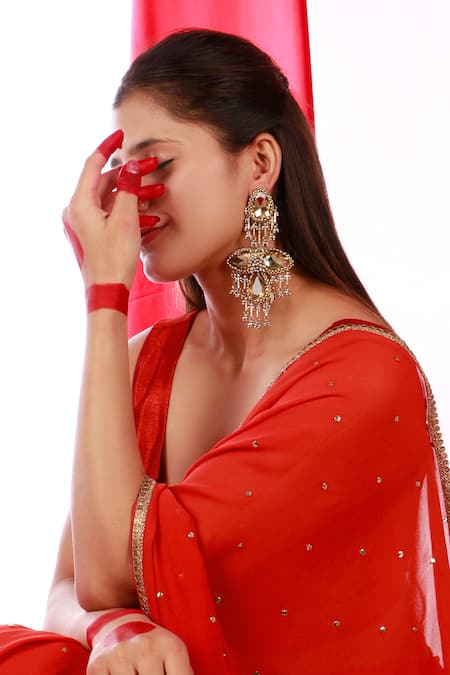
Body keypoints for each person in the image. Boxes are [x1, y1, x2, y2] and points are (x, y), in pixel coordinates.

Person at [0, 28, 449, 675]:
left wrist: (105, 293)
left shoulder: (363, 379)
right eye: (123, 172)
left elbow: (110, 569)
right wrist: (116, 627)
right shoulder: (146, 361)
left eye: (157, 165)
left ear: (260, 163)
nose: (133, 196)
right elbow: (69, 591)